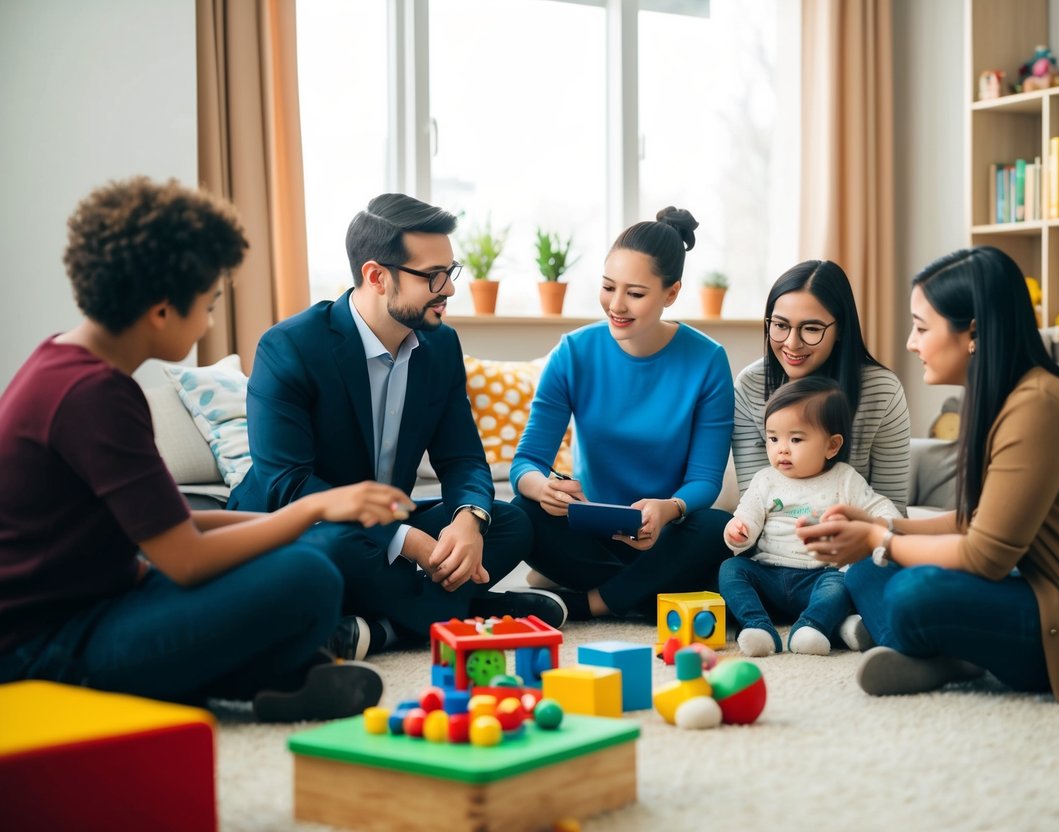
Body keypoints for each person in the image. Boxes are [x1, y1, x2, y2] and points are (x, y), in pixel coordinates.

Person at [0, 177, 411, 721]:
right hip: (44, 646)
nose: (210, 322)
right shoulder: (96, 395)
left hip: (101, 602)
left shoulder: (61, 360)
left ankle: (258, 675)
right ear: (162, 310)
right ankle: (251, 676)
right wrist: (312, 508)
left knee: (302, 560)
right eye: (209, 304)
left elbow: (176, 527)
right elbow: (187, 559)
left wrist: (300, 522)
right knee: (308, 580)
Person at [802, 245, 1059, 708]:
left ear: (972, 333)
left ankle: (943, 654)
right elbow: (976, 521)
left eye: (922, 327)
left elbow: (986, 556)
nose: (911, 342)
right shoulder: (1002, 397)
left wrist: (877, 539)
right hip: (1050, 594)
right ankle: (949, 656)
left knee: (913, 592)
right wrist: (880, 528)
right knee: (867, 574)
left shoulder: (1039, 406)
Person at [228, 194, 565, 657]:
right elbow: (287, 485)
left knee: (510, 521)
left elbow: (463, 457)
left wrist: (468, 520)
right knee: (338, 548)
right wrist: (409, 543)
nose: (448, 289)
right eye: (433, 276)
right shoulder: (290, 347)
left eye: (452, 272)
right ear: (376, 276)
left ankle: (380, 627)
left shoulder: (440, 347)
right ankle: (471, 611)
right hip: (298, 526)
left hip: (385, 525)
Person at [510, 207, 735, 620]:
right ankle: (648, 595)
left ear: (671, 294)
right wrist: (541, 486)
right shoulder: (574, 353)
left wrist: (668, 509)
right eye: (608, 287)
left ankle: (592, 602)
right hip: (590, 534)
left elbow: (704, 480)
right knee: (520, 512)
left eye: (635, 293)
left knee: (717, 528)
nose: (616, 305)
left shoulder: (707, 361)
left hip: (666, 535)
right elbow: (526, 462)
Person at [720, 377, 900, 657]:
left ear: (831, 446)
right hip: (768, 572)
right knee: (730, 570)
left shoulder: (844, 479)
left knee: (844, 582)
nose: (782, 449)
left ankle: (812, 626)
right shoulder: (765, 479)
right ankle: (758, 627)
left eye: (796, 439)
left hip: (820, 574)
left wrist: (888, 527)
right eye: (773, 438)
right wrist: (738, 531)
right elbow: (747, 516)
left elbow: (880, 508)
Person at [733, 260, 911, 514]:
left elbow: (892, 507)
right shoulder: (751, 384)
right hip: (775, 538)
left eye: (812, 329)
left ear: (840, 329)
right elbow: (753, 502)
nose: (792, 344)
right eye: (781, 326)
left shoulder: (882, 390)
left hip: (856, 540)